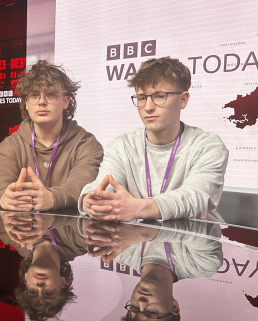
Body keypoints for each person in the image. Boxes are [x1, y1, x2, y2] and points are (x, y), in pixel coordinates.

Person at [79, 57, 229, 221]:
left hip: (191, 241)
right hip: (135, 240)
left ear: (183, 99)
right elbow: (102, 186)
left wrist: (138, 208)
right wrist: (92, 200)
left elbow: (195, 197)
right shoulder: (122, 146)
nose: (148, 107)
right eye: (142, 98)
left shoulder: (207, 146)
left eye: (159, 96)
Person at [0, 60, 103, 211]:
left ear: (66, 101)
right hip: (24, 229)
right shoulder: (10, 145)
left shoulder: (86, 144)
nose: (42, 101)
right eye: (35, 95)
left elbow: (82, 185)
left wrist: (52, 198)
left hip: (68, 231)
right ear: (26, 103)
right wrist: (4, 196)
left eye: (51, 94)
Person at [84, 218, 223, 321]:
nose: (142, 303)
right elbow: (203, 224)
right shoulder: (202, 265)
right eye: (151, 312)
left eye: (134, 308)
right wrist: (144, 232)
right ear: (174, 306)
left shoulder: (120, 253)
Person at [0, 208, 87, 321]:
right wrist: (52, 218)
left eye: (33, 291)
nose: (40, 287)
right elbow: (85, 203)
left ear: (25, 279)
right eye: (49, 293)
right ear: (63, 283)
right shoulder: (81, 242)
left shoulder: (6, 234)